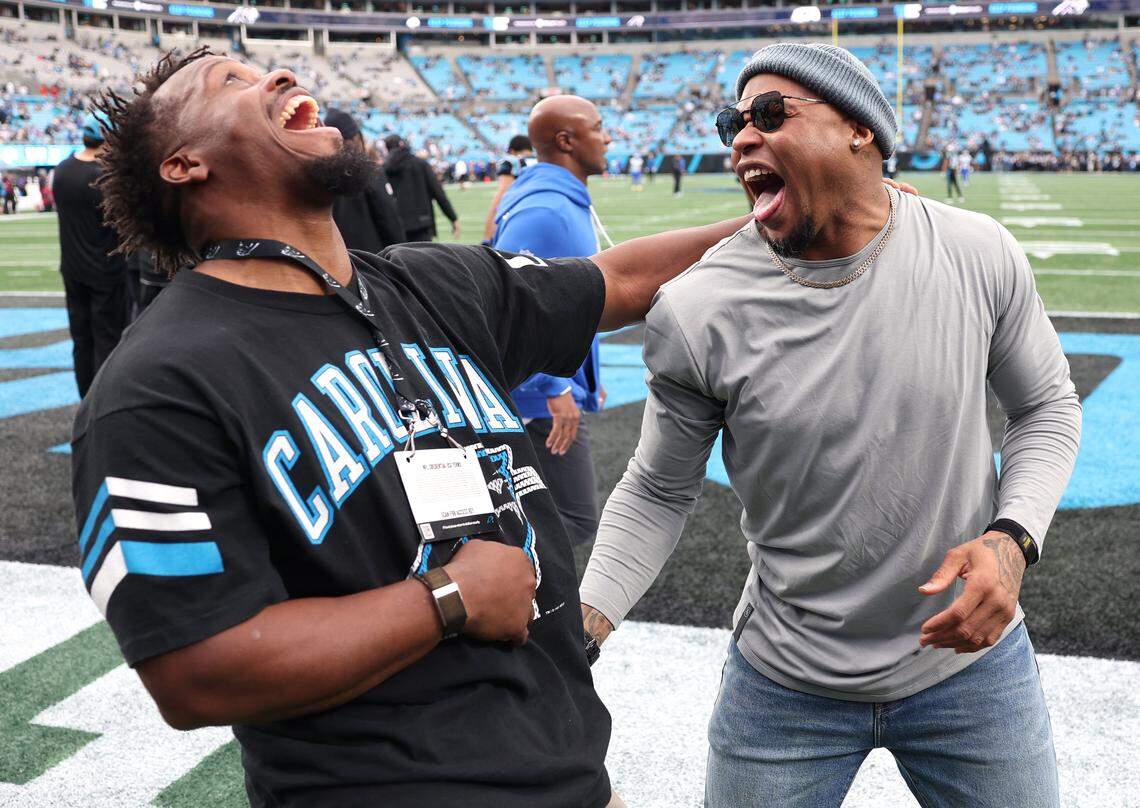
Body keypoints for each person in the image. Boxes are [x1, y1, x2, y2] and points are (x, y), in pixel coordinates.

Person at [75, 49, 748, 808]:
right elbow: (193, 672)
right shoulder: (157, 385)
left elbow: (619, 279)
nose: (279, 76)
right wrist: (444, 598)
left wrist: (780, 217)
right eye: (231, 82)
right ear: (183, 163)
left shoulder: (427, 283)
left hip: (571, 777)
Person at [580, 43, 1080, 808]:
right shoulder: (696, 306)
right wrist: (588, 620)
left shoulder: (978, 253)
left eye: (772, 114)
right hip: (784, 687)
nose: (742, 138)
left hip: (968, 672)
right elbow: (656, 489)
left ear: (862, 131)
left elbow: (1045, 405)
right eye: (732, 124)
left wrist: (1011, 541)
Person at [492, 95, 612, 549]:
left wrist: (584, 376)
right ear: (566, 140)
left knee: (550, 517)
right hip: (537, 397)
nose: (607, 137)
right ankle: (514, 609)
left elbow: (567, 298)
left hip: (549, 387)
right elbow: (512, 302)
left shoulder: (559, 199)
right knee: (573, 521)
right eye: (598, 127)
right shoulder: (546, 210)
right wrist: (555, 388)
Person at [52, 113, 130, 397]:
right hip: (106, 272)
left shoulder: (62, 170)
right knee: (108, 340)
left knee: (81, 341)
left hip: (73, 270)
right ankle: (103, 403)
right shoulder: (106, 177)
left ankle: (85, 400)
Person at [324, 108, 407, 253]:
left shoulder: (319, 177)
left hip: (336, 262)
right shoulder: (369, 171)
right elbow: (388, 219)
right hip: (371, 260)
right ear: (356, 138)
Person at [384, 134, 459, 242]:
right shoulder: (420, 164)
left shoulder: (384, 169)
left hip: (398, 226)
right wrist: (453, 218)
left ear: (387, 148)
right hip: (422, 224)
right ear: (402, 144)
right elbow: (438, 192)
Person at [482, 133, 535, 244]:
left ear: (512, 151)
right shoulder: (545, 160)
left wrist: (487, 238)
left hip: (520, 219)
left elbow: (502, 197)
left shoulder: (512, 162)